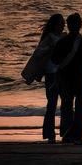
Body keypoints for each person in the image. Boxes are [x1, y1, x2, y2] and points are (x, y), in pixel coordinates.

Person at [51, 12, 82, 144]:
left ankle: (67, 133)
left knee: (66, 107)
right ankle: (78, 135)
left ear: (68, 26)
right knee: (80, 107)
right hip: (81, 78)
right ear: (80, 25)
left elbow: (54, 60)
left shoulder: (62, 42)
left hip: (66, 79)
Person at [21, 13, 65, 142]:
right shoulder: (50, 38)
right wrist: (50, 47)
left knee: (65, 104)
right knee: (52, 105)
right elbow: (39, 53)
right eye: (61, 23)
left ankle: (65, 131)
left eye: (63, 23)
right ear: (55, 25)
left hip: (61, 74)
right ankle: (50, 133)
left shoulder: (62, 36)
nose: (63, 25)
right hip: (51, 74)